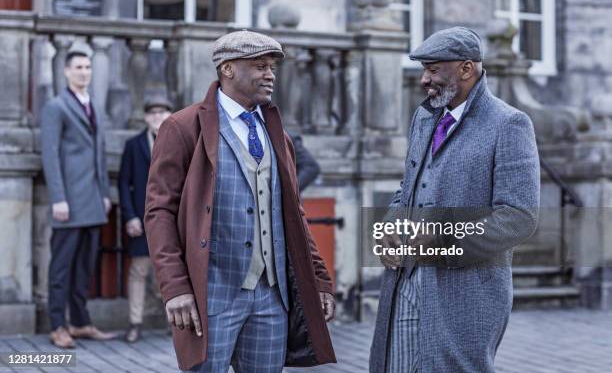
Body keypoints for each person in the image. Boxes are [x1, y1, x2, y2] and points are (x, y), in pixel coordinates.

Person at [144, 30, 336, 372]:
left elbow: (294, 215)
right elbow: (159, 212)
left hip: (271, 298)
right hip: (211, 295)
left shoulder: (278, 133)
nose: (270, 74)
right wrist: (174, 287)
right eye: (260, 65)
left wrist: (319, 279)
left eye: (272, 66)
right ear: (228, 69)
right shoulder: (182, 127)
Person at [369, 27, 540, 372]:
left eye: (433, 69)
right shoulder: (425, 116)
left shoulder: (509, 124)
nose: (423, 80)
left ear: (466, 68)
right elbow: (409, 186)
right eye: (424, 69)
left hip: (465, 294)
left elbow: (519, 217)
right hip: (405, 281)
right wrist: (388, 224)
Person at [41, 47, 116, 348]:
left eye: (88, 67)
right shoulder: (56, 106)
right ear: (66, 71)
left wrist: (105, 194)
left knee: (85, 266)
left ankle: (81, 322)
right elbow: (50, 153)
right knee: (61, 268)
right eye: (79, 67)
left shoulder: (94, 105)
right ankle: (57, 325)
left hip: (93, 201)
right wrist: (58, 197)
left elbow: (100, 155)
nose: (84, 72)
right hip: (68, 203)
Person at [118, 96, 173, 342]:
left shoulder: (180, 142)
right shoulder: (133, 144)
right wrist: (129, 216)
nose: (157, 117)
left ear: (170, 115)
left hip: (172, 221)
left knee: (172, 272)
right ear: (145, 116)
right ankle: (135, 323)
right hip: (141, 219)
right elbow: (123, 183)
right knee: (139, 271)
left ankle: (176, 324)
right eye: (153, 113)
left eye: (162, 112)